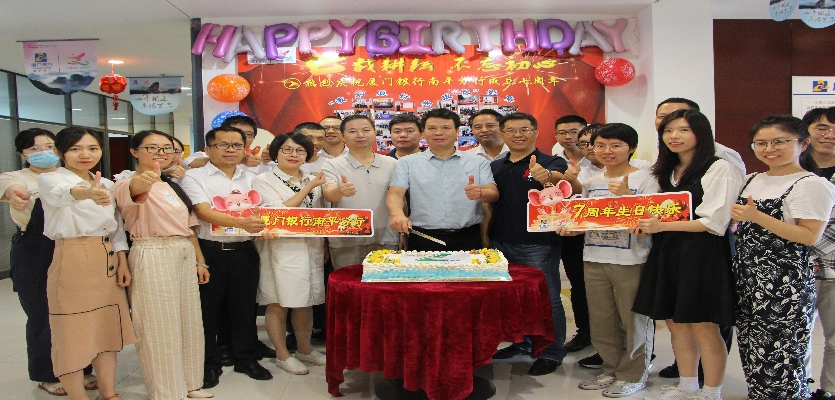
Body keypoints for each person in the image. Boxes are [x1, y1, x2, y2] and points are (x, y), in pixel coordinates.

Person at [631, 110, 743, 400]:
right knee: (675, 323)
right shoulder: (666, 170)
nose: (674, 136)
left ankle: (712, 391)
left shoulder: (719, 167)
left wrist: (660, 225)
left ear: (700, 133)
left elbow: (715, 222)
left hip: (703, 254)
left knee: (703, 325)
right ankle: (687, 385)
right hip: (668, 251)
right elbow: (655, 212)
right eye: (668, 131)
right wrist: (645, 226)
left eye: (683, 130)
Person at [730, 115, 835, 400]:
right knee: (753, 349)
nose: (769, 149)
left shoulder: (811, 184)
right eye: (761, 143)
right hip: (749, 278)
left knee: (783, 355)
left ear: (803, 144)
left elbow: (809, 236)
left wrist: (756, 217)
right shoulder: (752, 179)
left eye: (780, 142)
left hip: (785, 283)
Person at [560, 123, 658, 398]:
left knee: (634, 321)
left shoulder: (647, 179)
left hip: (632, 260)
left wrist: (627, 197)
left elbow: (656, 217)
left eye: (616, 146)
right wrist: (569, 227)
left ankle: (633, 375)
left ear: (631, 148)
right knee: (602, 320)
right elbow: (584, 220)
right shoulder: (592, 183)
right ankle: (611, 368)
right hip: (593, 258)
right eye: (600, 145)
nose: (607, 151)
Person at [114, 130, 213, 399]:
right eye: (152, 147)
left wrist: (200, 261)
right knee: (157, 324)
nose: (161, 152)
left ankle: (190, 382)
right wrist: (144, 179)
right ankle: (166, 391)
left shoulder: (172, 185)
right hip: (152, 250)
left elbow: (189, 228)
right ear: (134, 152)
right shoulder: (126, 183)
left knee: (188, 320)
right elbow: (135, 189)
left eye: (167, 148)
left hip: (183, 251)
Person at [38, 127, 135, 400]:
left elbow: (116, 228)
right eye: (75, 149)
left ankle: (108, 393)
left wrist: (122, 260)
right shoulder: (50, 178)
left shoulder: (106, 184)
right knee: (71, 332)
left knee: (107, 330)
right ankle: (77, 396)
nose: (85, 154)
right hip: (73, 256)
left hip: (106, 257)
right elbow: (65, 193)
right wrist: (88, 194)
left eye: (92, 148)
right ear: (60, 152)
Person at [0, 128, 96, 396]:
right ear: (22, 154)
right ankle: (47, 374)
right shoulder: (17, 177)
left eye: (50, 147)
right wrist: (16, 195)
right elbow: (11, 189)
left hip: (74, 247)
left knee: (79, 312)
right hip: (35, 250)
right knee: (43, 314)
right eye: (34, 149)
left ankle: (82, 368)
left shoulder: (71, 175)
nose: (44, 152)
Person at [178, 126, 272, 388]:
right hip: (210, 250)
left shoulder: (252, 176)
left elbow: (265, 209)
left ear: (244, 149)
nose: (231, 150)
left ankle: (246, 357)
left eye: (236, 145)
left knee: (245, 308)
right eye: (223, 145)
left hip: (245, 251)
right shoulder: (194, 176)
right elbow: (203, 211)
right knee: (207, 310)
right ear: (208, 149)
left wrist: (267, 226)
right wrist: (243, 223)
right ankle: (209, 363)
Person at [485, 112, 569, 376]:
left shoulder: (550, 161)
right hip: (501, 241)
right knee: (513, 300)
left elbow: (562, 184)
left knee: (548, 299)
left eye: (524, 129)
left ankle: (553, 351)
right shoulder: (496, 166)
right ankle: (522, 343)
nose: (518, 135)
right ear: (502, 134)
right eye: (511, 131)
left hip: (538, 244)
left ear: (536, 132)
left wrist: (546, 177)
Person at [252, 133, 327, 375]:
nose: (294, 155)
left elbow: (321, 214)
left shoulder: (312, 178)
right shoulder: (263, 180)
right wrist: (309, 187)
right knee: (279, 301)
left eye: (300, 151)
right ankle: (282, 355)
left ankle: (305, 349)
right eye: (287, 150)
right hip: (281, 248)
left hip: (311, 246)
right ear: (276, 153)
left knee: (306, 301)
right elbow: (280, 213)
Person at [387, 108, 498, 251]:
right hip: (423, 237)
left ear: (457, 131)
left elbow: (493, 194)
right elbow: (395, 194)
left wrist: (481, 193)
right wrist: (397, 215)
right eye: (432, 128)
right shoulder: (407, 162)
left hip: (468, 236)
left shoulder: (477, 161)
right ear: (423, 132)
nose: (438, 133)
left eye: (446, 128)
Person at [322, 115, 399, 269]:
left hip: (386, 237)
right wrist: (340, 191)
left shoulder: (392, 163)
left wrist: (402, 233)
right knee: (348, 282)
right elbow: (328, 194)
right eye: (352, 131)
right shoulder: (332, 165)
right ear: (343, 136)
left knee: (385, 282)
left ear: (375, 132)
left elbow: (400, 199)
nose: (360, 135)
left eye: (366, 130)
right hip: (346, 239)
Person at [551, 115, 595, 355]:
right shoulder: (553, 159)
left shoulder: (600, 158)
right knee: (578, 285)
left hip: (602, 235)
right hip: (571, 233)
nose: (568, 137)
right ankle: (584, 332)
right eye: (562, 132)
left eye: (574, 131)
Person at [804, 107, 835, 400]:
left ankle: (830, 390)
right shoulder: (790, 169)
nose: (830, 135)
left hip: (833, 266)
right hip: (794, 268)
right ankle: (797, 386)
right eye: (822, 128)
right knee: (794, 335)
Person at [184, 115, 266, 173]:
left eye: (248, 134)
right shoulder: (207, 154)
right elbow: (187, 163)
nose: (242, 136)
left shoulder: (257, 161)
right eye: (237, 131)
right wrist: (241, 160)